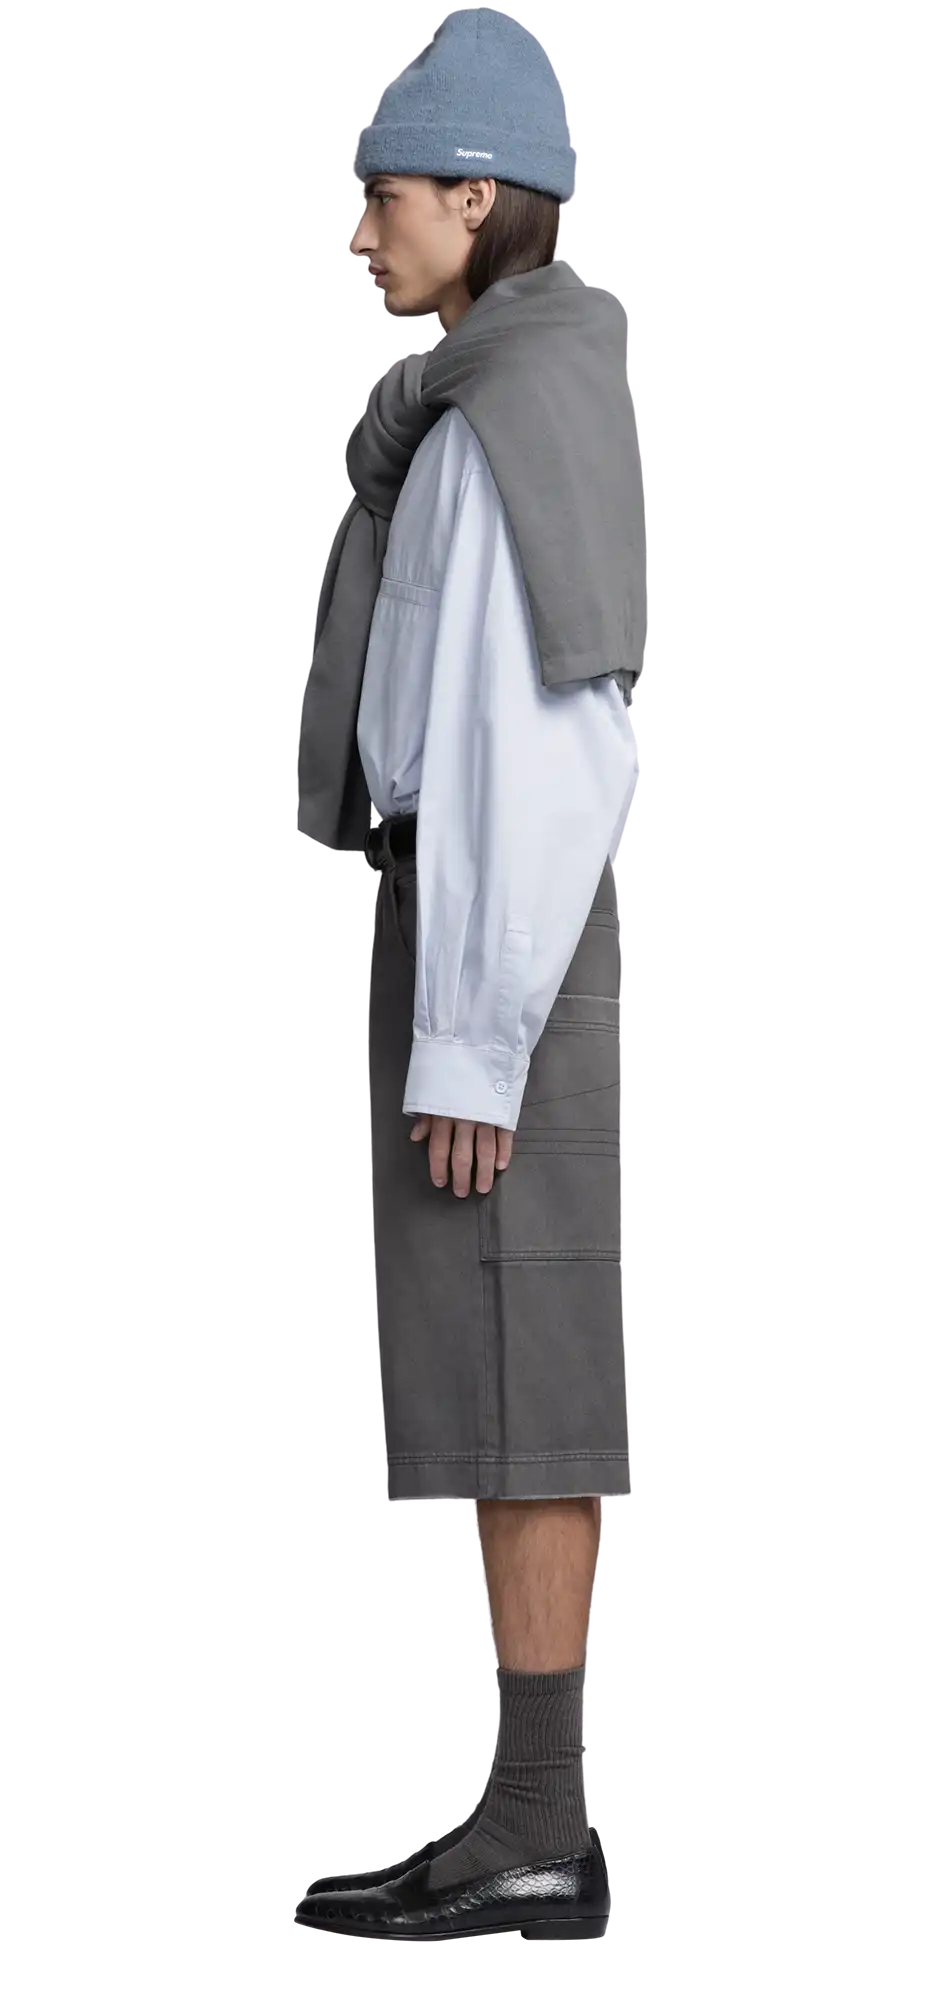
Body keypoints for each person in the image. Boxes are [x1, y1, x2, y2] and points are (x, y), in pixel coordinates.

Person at [291, 10, 645, 1943]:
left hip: (501, 939)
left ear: (476, 194)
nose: (358, 233)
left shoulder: (516, 408)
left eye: (382, 198)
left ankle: (540, 1828)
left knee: (525, 1383)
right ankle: (523, 1814)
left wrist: (475, 1040)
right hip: (468, 926)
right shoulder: (472, 396)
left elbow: (542, 747)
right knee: (493, 1383)